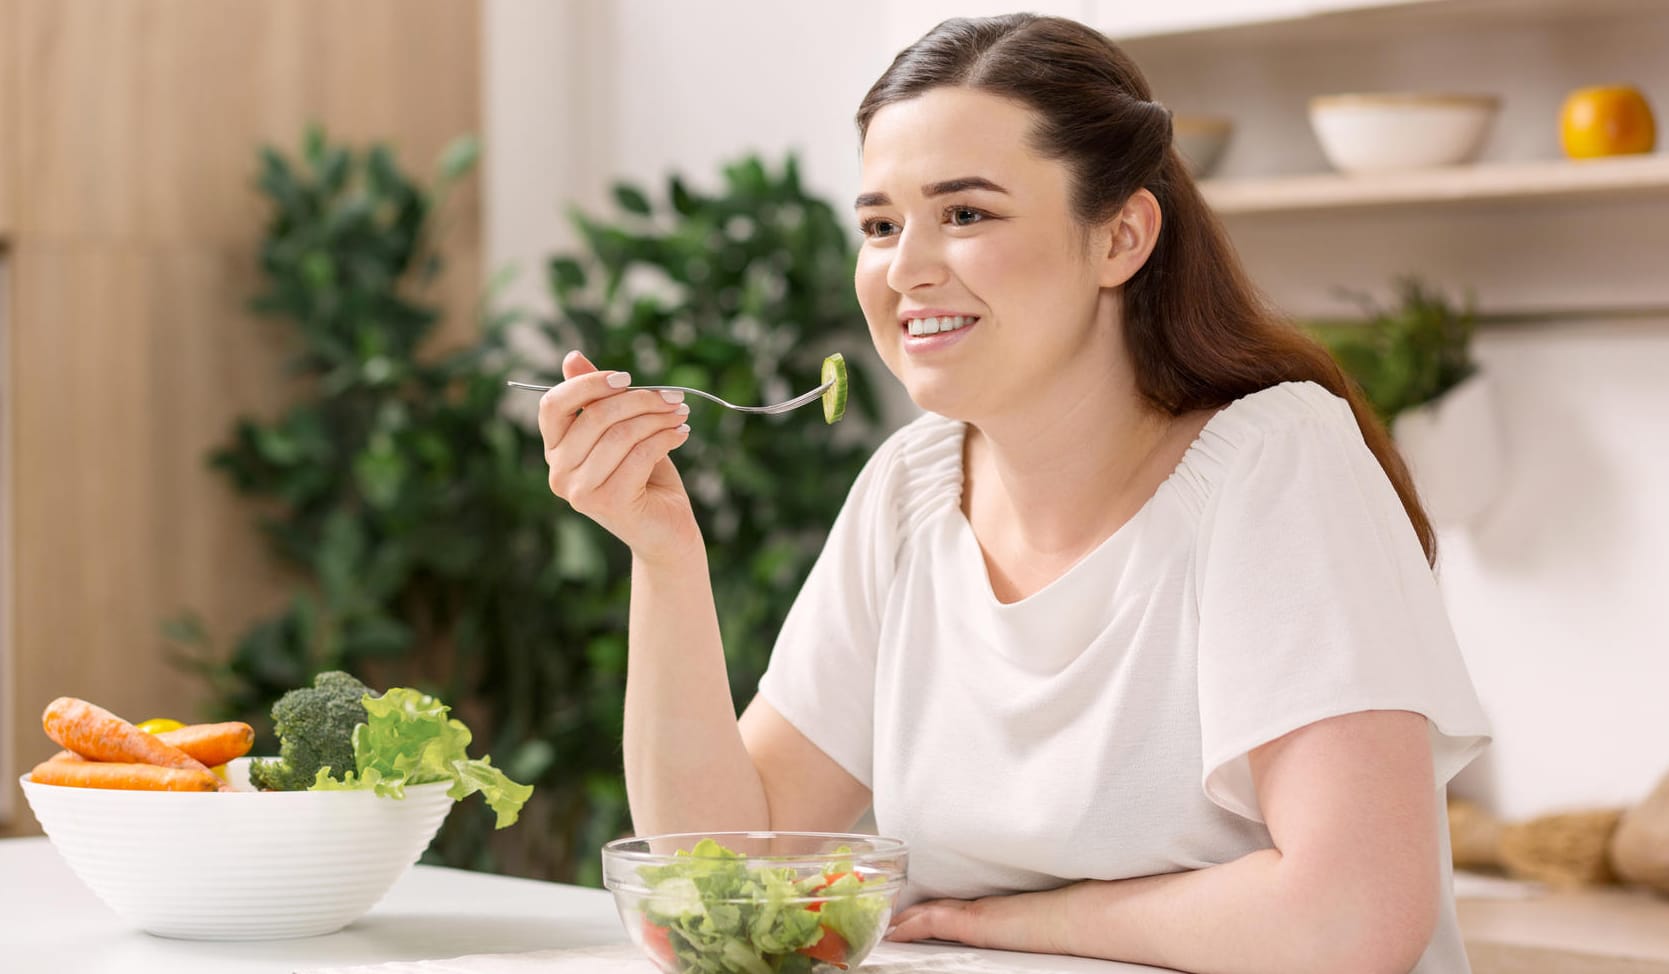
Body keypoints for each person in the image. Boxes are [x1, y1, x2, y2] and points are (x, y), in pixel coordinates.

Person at [534, 13, 1490, 974]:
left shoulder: (1275, 463)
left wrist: (1019, 920)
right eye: (878, 225)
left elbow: (1352, 918)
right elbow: (724, 878)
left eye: (966, 214)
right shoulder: (908, 491)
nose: (904, 268)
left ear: (1120, 236)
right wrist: (662, 552)